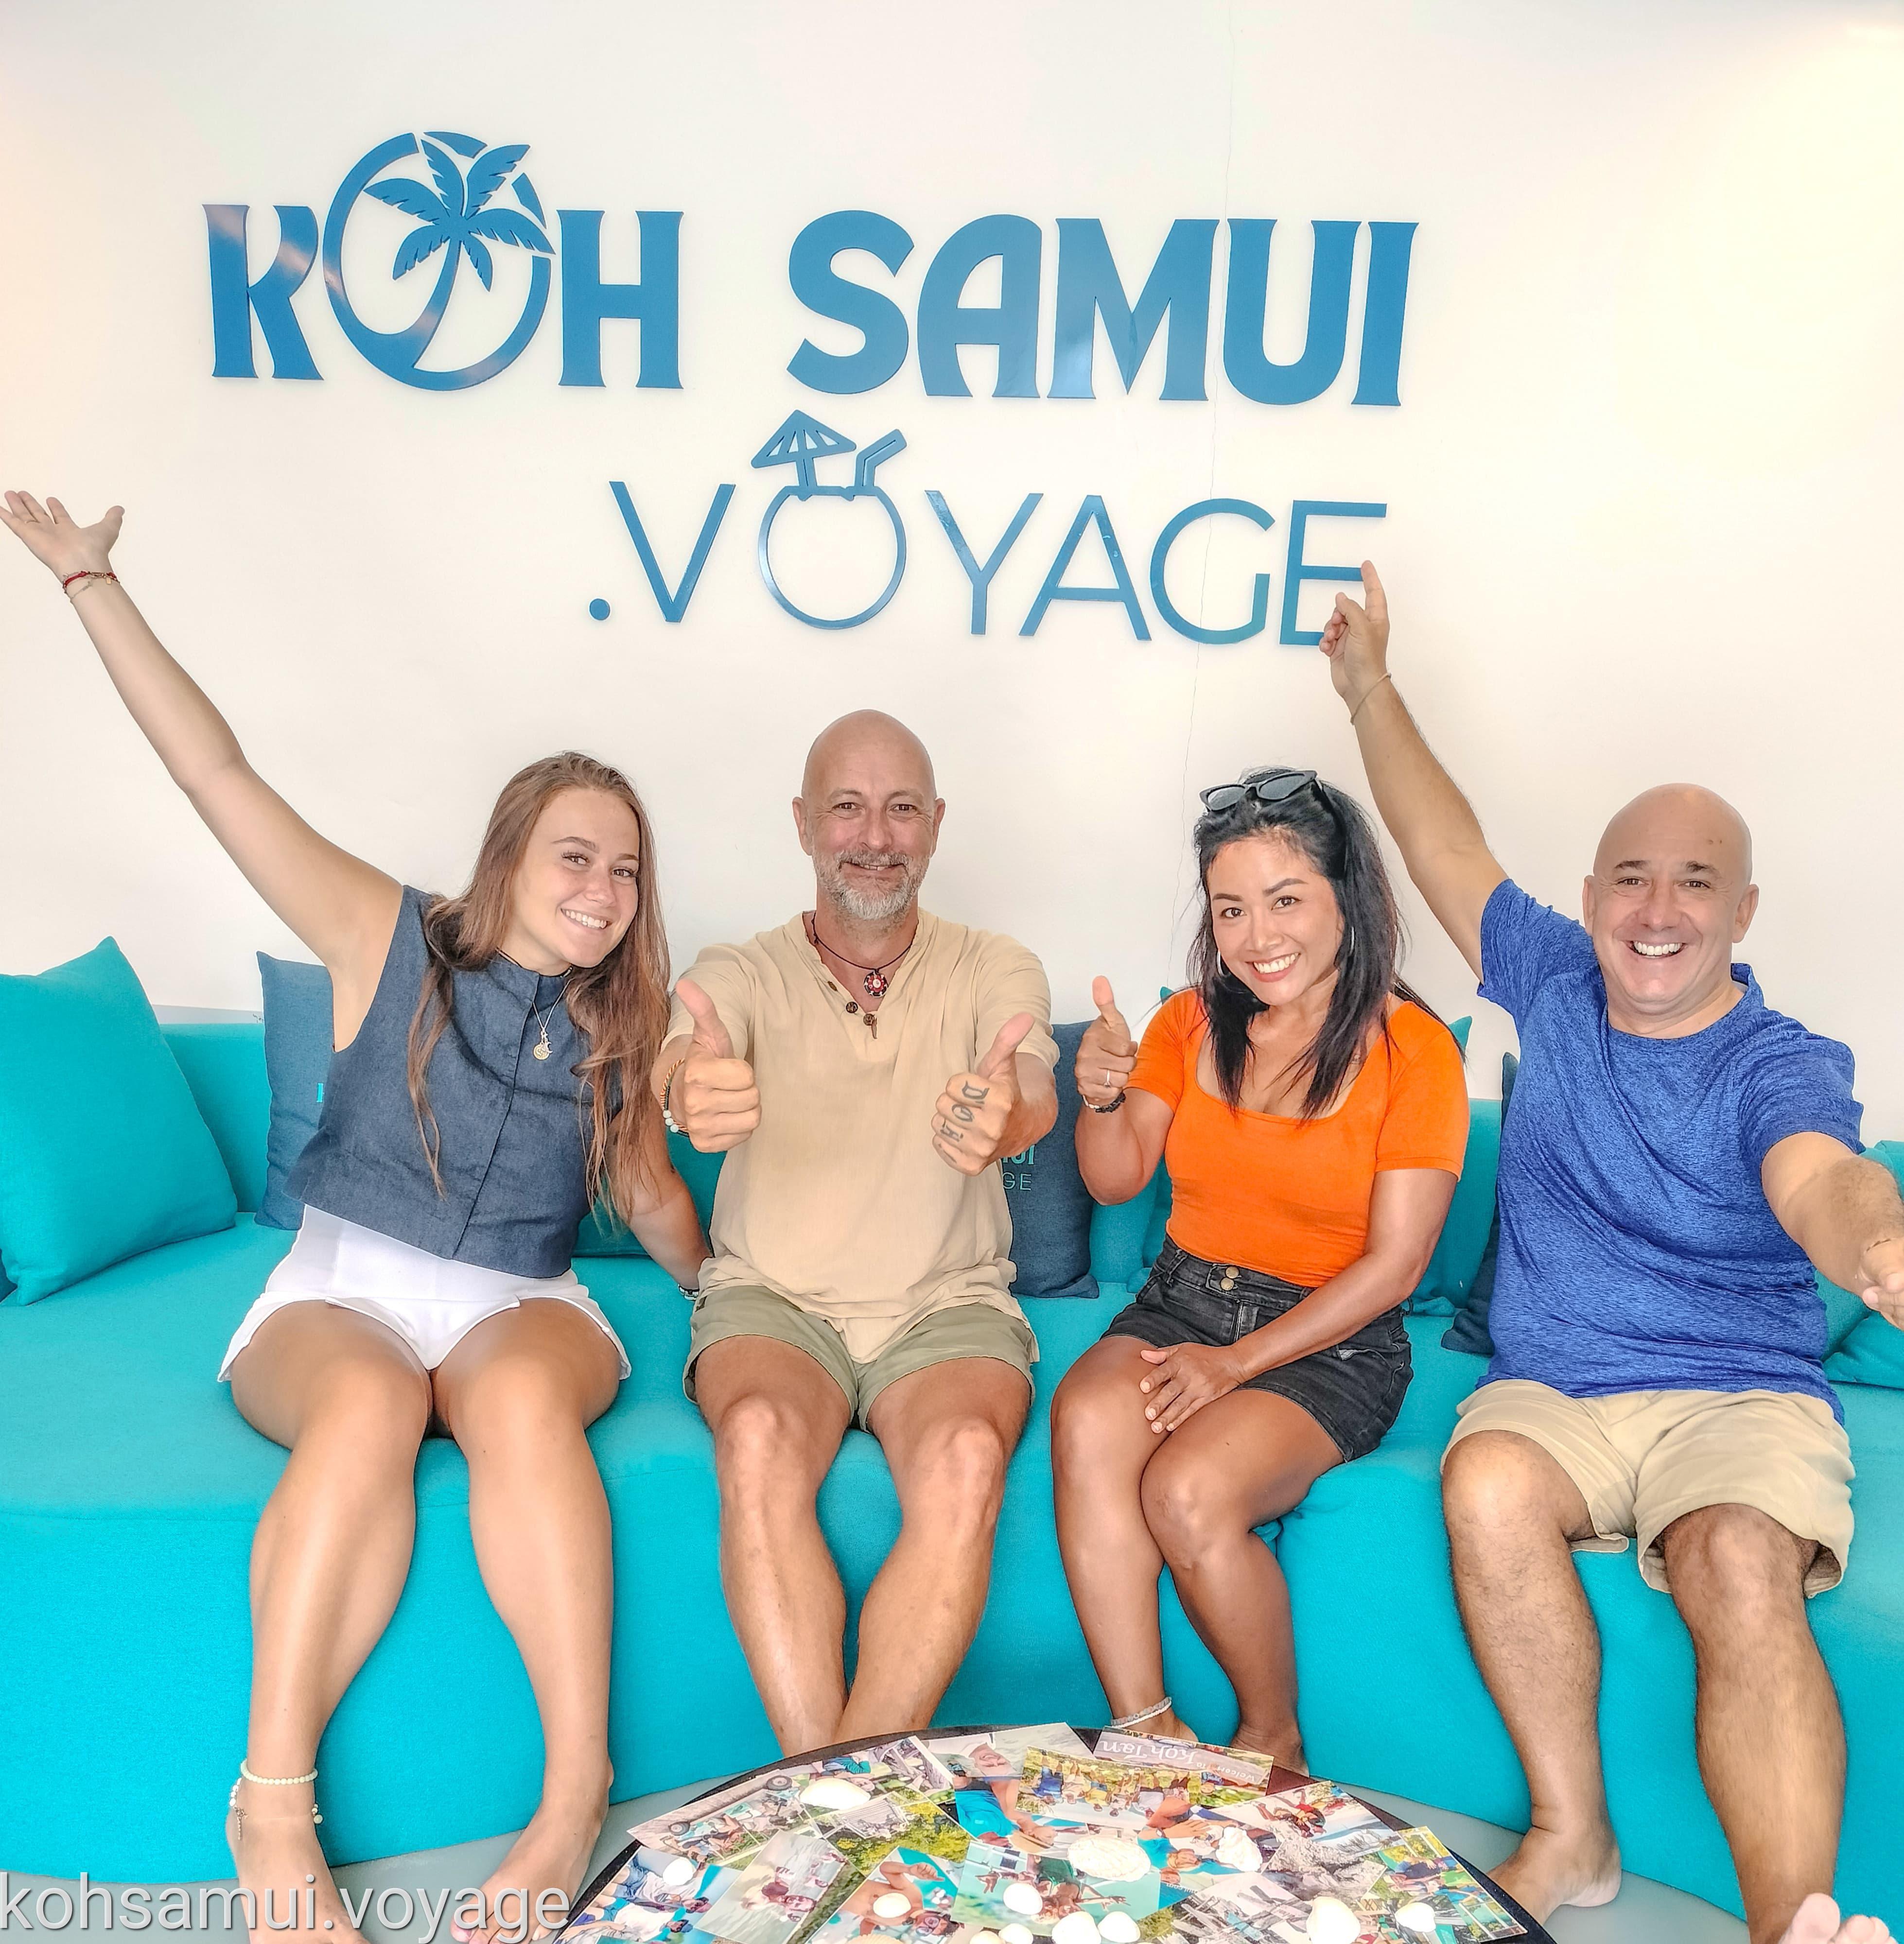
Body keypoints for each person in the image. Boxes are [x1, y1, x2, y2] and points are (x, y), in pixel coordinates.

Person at [0, 492, 708, 1944]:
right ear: (509, 856)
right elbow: (215, 770)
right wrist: (90, 584)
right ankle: (271, 1811)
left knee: (520, 1402)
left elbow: (646, 1194)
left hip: (524, 1301)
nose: (605, 889)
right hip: (344, 1288)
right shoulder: (384, 935)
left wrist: (733, 1293)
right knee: (373, 1403)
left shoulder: (622, 1028)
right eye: (576, 854)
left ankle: (572, 1796)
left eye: (627, 868)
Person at [1318, 560, 1904, 1944]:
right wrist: (1368, 687)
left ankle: (1794, 1928)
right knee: (1484, 1482)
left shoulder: (1779, 1061)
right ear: (1590, 898)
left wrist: (1877, 1240)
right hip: (1557, 1393)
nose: (1656, 910)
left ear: (1742, 912)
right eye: (1630, 879)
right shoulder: (1550, 980)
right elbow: (1442, 845)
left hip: (1735, 1395)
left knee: (1735, 1555)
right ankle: (1570, 1831)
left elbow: (1818, 1177)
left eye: (1694, 883)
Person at [651, 710, 1059, 1751]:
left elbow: (1029, 1084)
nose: (875, 835)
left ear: (936, 824)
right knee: (755, 1435)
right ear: (802, 823)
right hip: (774, 1301)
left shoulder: (995, 964)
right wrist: (689, 1088)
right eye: (847, 807)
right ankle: (833, 1794)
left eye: (901, 808)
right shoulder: (739, 969)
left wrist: (1004, 1114)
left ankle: (826, 1805)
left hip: (947, 1304)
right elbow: (683, 1059)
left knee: (968, 1453)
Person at [1050, 767, 1468, 1764]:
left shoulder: (1414, 1052)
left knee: (1188, 1490)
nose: (1256, 935)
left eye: (1286, 900)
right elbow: (1115, 1180)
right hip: (1184, 1299)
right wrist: (1099, 1095)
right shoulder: (1187, 1022)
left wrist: (1234, 1366)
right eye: (1230, 908)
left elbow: (1396, 1264)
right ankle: (1145, 1727)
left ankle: (1273, 1738)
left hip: (1333, 1337)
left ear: (1346, 899)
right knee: (1085, 1417)